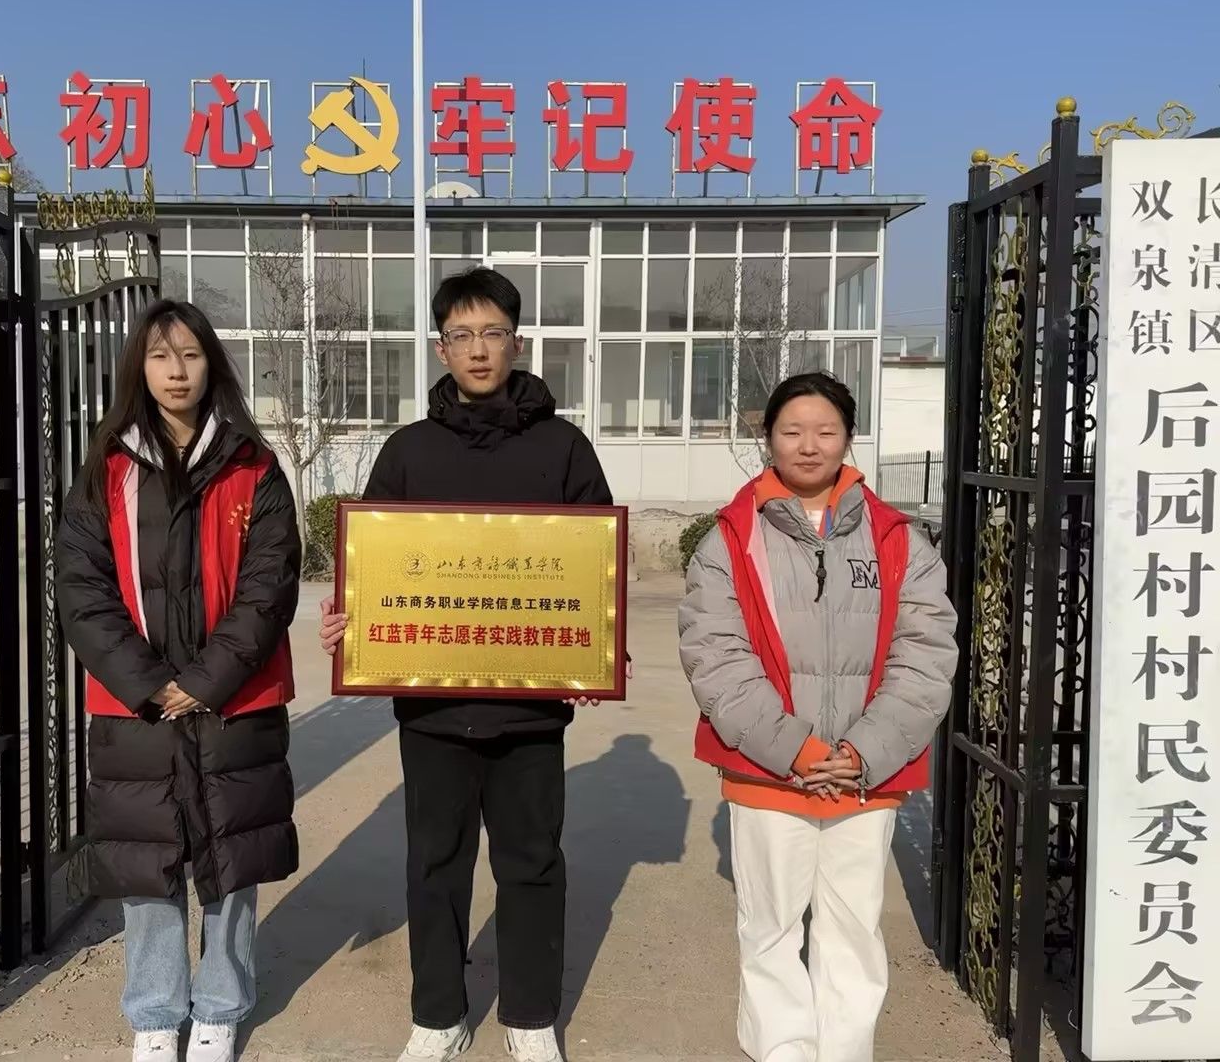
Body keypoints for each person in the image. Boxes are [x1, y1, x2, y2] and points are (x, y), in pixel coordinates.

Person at [318, 267, 624, 1062]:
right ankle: (438, 1014)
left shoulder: (563, 447)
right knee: (435, 865)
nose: (478, 349)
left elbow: (595, 568)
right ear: (441, 348)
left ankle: (530, 1015)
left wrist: (598, 642)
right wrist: (350, 623)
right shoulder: (409, 451)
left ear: (517, 342)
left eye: (493, 333)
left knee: (532, 863)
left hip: (530, 710)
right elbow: (372, 569)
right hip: (432, 708)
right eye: (462, 335)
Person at [678, 372, 957, 1062]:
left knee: (853, 929)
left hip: (865, 776)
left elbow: (926, 655)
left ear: (848, 438)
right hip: (771, 771)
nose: (809, 445)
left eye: (826, 431)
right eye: (793, 431)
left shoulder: (899, 539)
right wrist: (797, 751)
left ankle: (845, 1051)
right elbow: (716, 658)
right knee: (771, 927)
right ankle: (783, 1050)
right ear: (767, 438)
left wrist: (862, 753)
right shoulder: (730, 540)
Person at [56, 300, 301, 1062]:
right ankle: (157, 1014)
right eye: (161, 356)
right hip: (139, 711)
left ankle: (222, 1006)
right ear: (140, 367)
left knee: (231, 857)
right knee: (147, 862)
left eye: (190, 355)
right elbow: (81, 588)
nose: (176, 371)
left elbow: (271, 587)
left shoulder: (254, 468)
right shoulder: (107, 470)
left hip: (234, 702)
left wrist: (205, 680)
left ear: (211, 365)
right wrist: (149, 683)